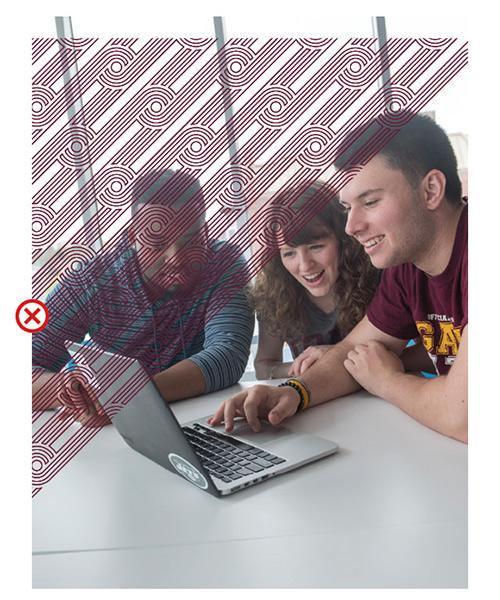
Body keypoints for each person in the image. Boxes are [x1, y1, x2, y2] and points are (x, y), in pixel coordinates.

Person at [209, 111, 468, 443]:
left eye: (370, 201)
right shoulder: (406, 267)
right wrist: (292, 393)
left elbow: (465, 416)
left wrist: (387, 380)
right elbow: (353, 351)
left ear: (431, 190)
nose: (351, 227)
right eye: (347, 208)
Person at [32, 169, 254, 426]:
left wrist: (129, 395)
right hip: (119, 431)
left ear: (205, 231)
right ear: (132, 237)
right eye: (157, 243)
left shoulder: (224, 263)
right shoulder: (90, 282)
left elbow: (228, 354)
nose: (176, 259)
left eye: (190, 241)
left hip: (206, 422)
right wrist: (72, 390)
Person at [251, 183, 379, 380]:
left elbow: (424, 353)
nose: (304, 266)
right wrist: (306, 366)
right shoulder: (272, 294)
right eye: (289, 253)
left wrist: (337, 357)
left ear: (344, 241)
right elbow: (263, 366)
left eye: (316, 247)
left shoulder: (380, 278)